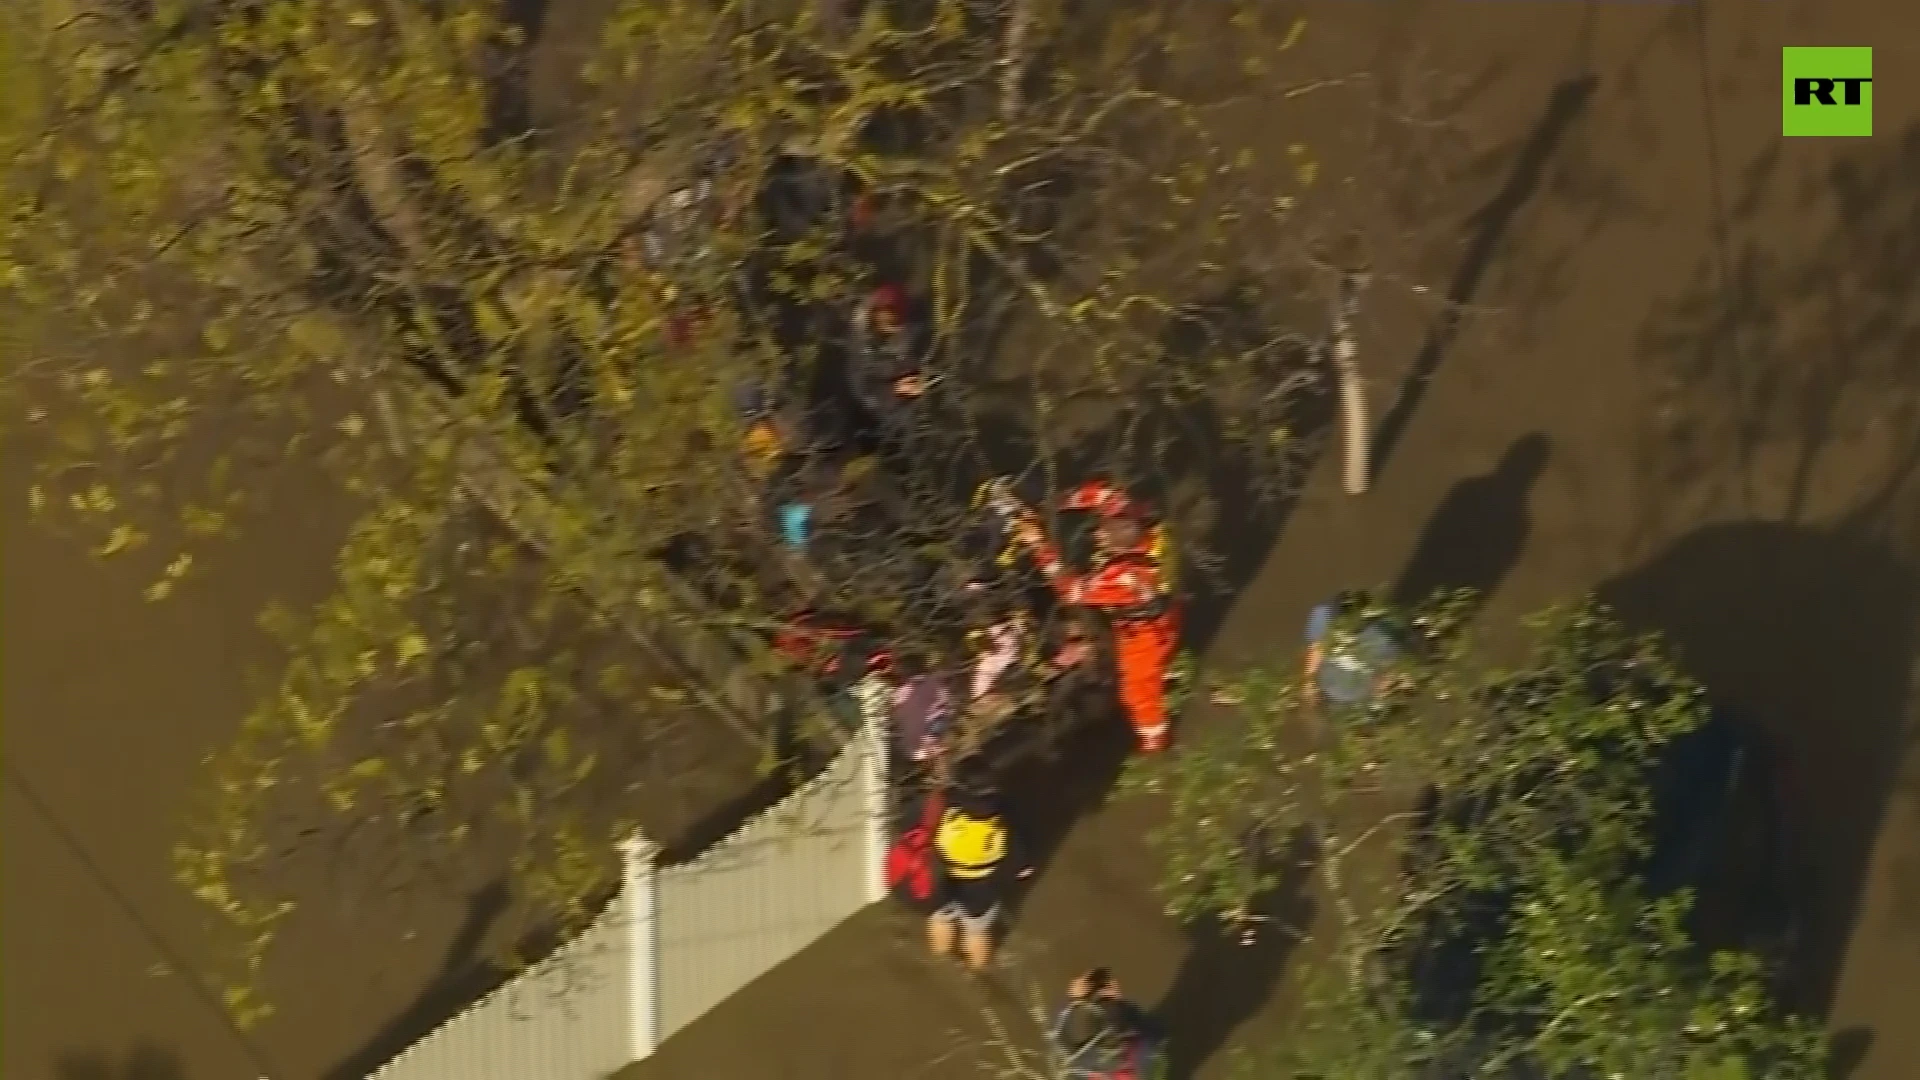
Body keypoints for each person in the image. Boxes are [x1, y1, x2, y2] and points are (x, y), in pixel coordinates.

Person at [1006, 479, 1181, 753]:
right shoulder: (1144, 527)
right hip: (1167, 609)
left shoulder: (1121, 578)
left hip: (1142, 632)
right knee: (1159, 656)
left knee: (1136, 689)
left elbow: (1070, 590)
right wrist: (1053, 504)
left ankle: (1155, 737)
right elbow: (1104, 494)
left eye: (1104, 535)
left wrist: (1038, 544)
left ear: (1119, 543)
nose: (1098, 535)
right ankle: (1165, 672)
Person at [929, 763, 1032, 971]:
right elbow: (1017, 852)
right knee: (976, 931)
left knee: (940, 918)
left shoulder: (944, 802)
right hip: (982, 884)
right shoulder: (1003, 810)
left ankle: (939, 958)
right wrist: (1021, 868)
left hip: (943, 876)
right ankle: (977, 969)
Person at [1049, 967, 1165, 1080]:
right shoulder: (1143, 1052)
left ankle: (1110, 1009)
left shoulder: (1086, 1061)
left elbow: (1059, 1038)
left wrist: (1071, 999)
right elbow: (1154, 1033)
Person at [1303, 589, 1408, 712]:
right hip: (1332, 687)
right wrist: (1308, 683)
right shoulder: (1323, 616)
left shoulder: (1385, 633)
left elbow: (1391, 668)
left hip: (1361, 690)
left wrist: (1385, 685)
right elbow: (1316, 649)